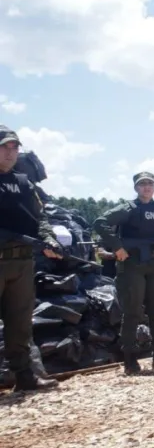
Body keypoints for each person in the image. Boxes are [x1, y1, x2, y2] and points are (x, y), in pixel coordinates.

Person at [93, 172, 154, 375]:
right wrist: (117, 247)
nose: (147, 187)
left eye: (150, 184)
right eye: (142, 184)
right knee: (132, 313)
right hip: (133, 266)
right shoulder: (128, 209)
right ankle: (129, 359)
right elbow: (100, 223)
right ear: (136, 188)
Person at [0, 126, 62, 391]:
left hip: (23, 262)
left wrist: (48, 239)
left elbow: (40, 218)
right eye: (5, 147)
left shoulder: (24, 183)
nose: (11, 152)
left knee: (20, 322)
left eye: (15, 147)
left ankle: (24, 377)